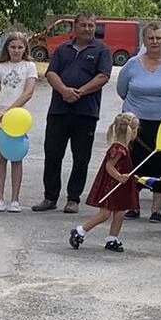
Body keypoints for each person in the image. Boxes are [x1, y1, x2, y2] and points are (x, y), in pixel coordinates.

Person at [114, 20, 161, 223]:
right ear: (144, 40)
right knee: (133, 163)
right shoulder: (132, 64)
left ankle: (156, 209)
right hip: (135, 125)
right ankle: (133, 206)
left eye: (158, 38)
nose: (155, 41)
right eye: (150, 38)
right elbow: (122, 90)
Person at [35, 14, 112, 212]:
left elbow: (103, 76)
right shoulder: (62, 49)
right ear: (75, 27)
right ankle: (50, 197)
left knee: (81, 158)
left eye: (91, 25)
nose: (87, 29)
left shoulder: (102, 50)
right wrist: (64, 91)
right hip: (59, 111)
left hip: (86, 113)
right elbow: (51, 73)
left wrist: (80, 92)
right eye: (83, 25)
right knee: (52, 155)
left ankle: (73, 199)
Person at [69, 114, 141, 253]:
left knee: (120, 212)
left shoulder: (123, 148)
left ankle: (112, 238)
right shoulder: (118, 149)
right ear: (132, 131)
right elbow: (109, 166)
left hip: (119, 187)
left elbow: (122, 167)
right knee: (105, 214)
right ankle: (80, 231)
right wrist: (119, 177)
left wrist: (131, 176)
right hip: (111, 186)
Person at [0, 32, 37, 211]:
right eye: (13, 47)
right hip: (0, 117)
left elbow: (28, 92)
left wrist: (7, 111)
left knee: (16, 157)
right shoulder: (0, 67)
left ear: (25, 48)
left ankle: (15, 200)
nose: (16, 51)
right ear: (7, 48)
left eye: (20, 47)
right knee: (0, 157)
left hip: (18, 117)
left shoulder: (29, 66)